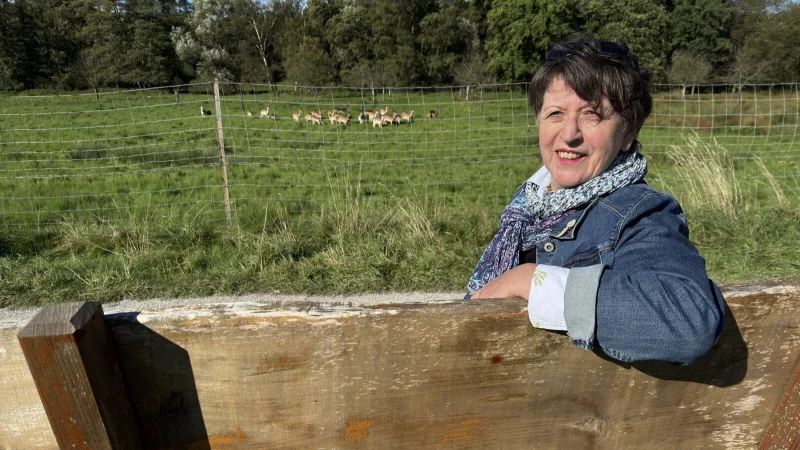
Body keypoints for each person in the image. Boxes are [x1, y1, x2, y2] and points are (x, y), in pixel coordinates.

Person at [466, 36, 725, 365]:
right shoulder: (526, 212)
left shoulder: (638, 215)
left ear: (627, 134)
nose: (569, 133)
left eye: (592, 115)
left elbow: (689, 321)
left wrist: (534, 280)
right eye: (556, 113)